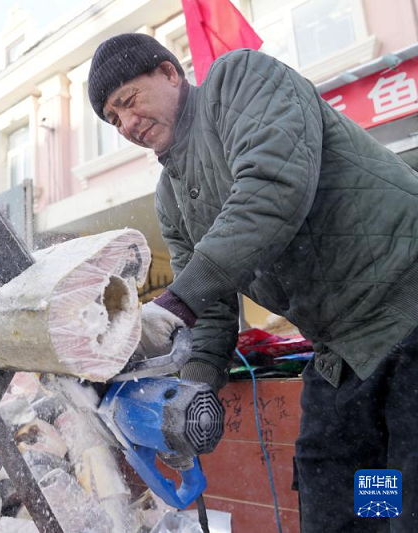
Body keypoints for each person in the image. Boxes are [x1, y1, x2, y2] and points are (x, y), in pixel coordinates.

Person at [88, 33, 418, 532]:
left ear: (169, 73)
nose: (127, 124)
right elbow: (212, 306)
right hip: (346, 351)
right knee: (348, 490)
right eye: (114, 120)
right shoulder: (170, 197)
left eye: (128, 101)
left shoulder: (240, 81)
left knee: (408, 495)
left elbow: (272, 188)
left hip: (407, 308)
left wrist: (176, 302)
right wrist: (189, 393)